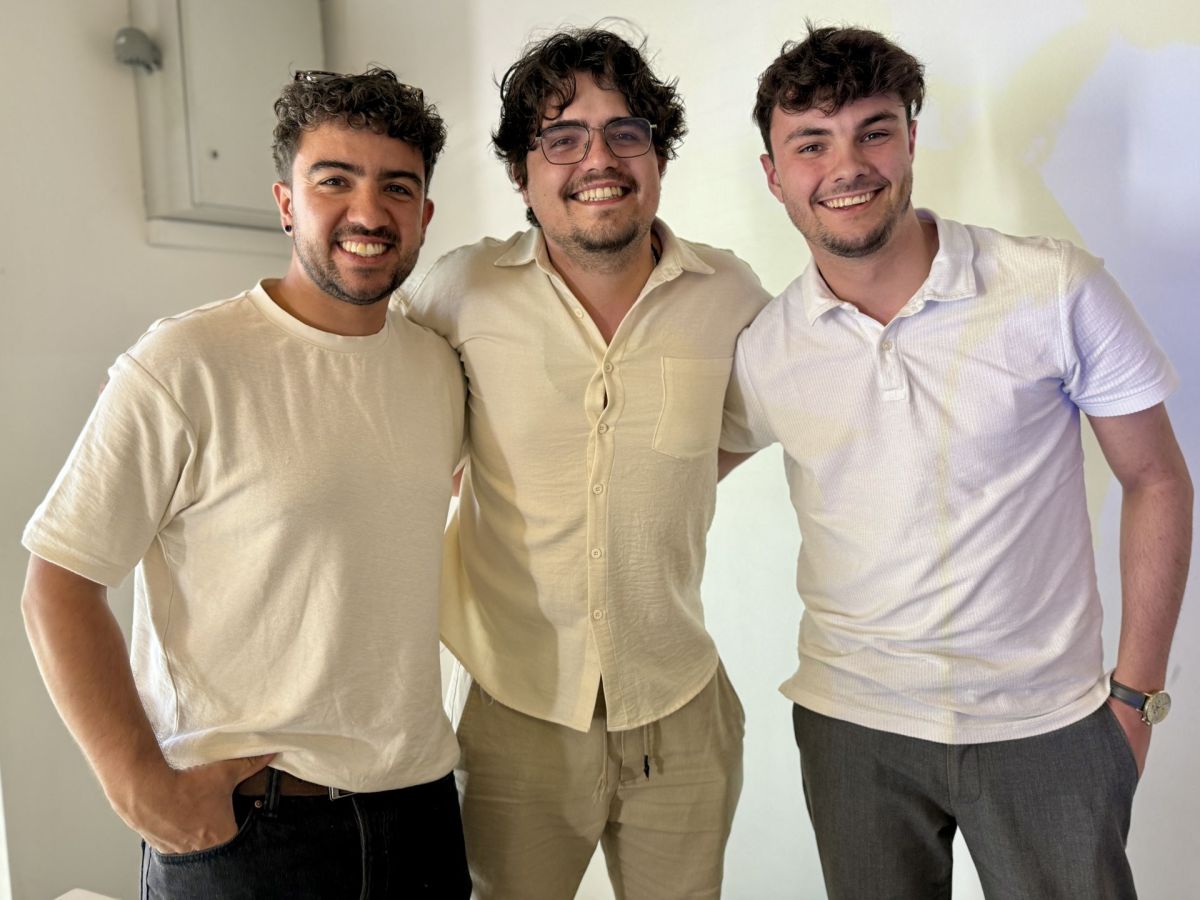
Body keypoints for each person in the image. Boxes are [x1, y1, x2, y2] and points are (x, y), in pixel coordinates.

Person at [721, 23, 1193, 899]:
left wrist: (1137, 698)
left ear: (909, 140)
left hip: (1048, 724)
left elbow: (1157, 477)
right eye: (811, 143)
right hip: (851, 727)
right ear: (774, 173)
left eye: (873, 132)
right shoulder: (765, 347)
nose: (846, 166)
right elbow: (662, 478)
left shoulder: (1050, 286)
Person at [21, 68, 471, 898]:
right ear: (286, 202)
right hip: (251, 831)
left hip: (421, 815)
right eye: (334, 181)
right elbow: (58, 584)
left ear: (424, 215)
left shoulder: (440, 368)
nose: (369, 212)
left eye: (397, 187)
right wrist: (143, 790)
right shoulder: (183, 363)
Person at [403, 27, 769, 900]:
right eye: (561, 138)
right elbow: (396, 432)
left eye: (624, 132)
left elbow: (728, 438)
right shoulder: (458, 292)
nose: (597, 159)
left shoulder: (729, 294)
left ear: (658, 155)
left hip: (680, 706)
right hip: (512, 713)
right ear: (521, 173)